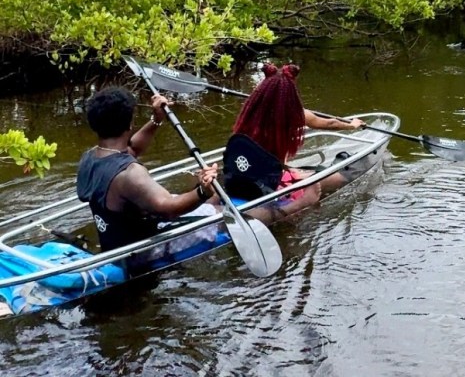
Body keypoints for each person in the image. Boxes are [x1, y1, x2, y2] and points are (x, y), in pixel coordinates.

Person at [76, 87, 220, 258]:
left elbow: (132, 148)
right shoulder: (130, 175)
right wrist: (202, 192)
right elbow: (170, 209)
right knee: (220, 212)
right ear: (130, 124)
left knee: (214, 195)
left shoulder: (90, 157)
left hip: (116, 239)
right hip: (143, 250)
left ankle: (210, 197)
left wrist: (157, 119)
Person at [229, 63, 365, 222]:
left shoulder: (250, 113)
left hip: (243, 171)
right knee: (337, 179)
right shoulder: (297, 115)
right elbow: (329, 124)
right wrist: (352, 125)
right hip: (267, 179)